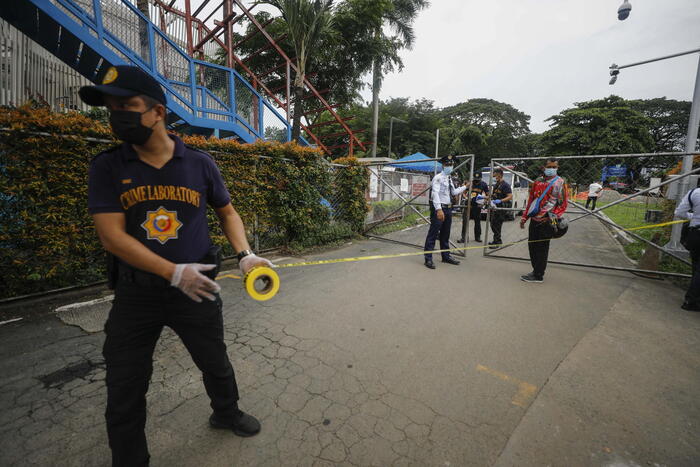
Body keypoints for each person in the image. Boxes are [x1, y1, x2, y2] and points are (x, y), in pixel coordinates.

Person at [80, 65, 271, 466]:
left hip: (197, 287)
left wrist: (245, 254)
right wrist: (170, 272)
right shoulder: (108, 166)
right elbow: (111, 236)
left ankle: (226, 412)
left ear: (157, 112)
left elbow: (228, 212)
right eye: (112, 108)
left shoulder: (200, 164)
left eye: (128, 105)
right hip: (137, 295)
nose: (118, 116)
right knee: (125, 385)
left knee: (214, 360)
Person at [519, 158, 568, 283]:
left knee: (542, 247)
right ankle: (535, 270)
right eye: (549, 166)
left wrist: (552, 216)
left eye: (554, 167)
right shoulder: (537, 182)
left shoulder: (560, 182)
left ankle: (538, 275)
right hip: (534, 219)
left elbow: (562, 205)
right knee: (532, 246)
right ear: (543, 167)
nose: (552, 169)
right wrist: (525, 217)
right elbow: (531, 201)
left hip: (546, 221)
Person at [424, 155, 468, 269]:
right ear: (443, 165)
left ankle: (446, 256)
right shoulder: (438, 178)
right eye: (447, 164)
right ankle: (428, 259)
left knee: (445, 234)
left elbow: (453, 192)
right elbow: (435, 194)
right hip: (440, 209)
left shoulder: (449, 178)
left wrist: (465, 187)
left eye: (451, 164)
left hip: (448, 209)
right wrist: (438, 210)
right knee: (433, 234)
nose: (450, 166)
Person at [674, 180, 700, 312]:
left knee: (696, 266)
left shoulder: (694, 193)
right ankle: (692, 300)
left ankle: (692, 298)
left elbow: (679, 213)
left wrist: (694, 216)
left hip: (696, 233)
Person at [458, 172, 489, 243]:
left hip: (477, 206)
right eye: (475, 180)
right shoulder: (470, 184)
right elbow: (463, 193)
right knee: (465, 221)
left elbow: (488, 195)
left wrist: (483, 200)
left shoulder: (484, 184)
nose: (476, 182)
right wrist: (466, 198)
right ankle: (464, 237)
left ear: (480, 179)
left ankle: (477, 237)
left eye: (478, 180)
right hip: (468, 205)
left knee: (477, 222)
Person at [488, 168, 513, 248]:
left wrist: (500, 200)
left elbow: (510, 196)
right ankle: (496, 240)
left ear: (499, 174)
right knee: (493, 224)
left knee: (497, 225)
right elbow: (493, 195)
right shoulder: (496, 184)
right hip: (495, 207)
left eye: (495, 174)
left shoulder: (505, 185)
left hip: (501, 208)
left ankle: (497, 242)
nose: (494, 175)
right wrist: (485, 198)